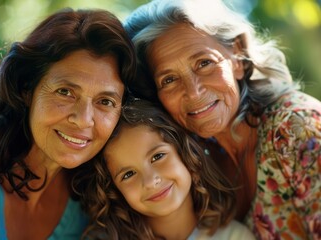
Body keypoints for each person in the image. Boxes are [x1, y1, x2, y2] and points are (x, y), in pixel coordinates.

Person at [123, 0, 321, 239]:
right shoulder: (192, 158)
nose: (193, 91)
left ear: (237, 56)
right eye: (168, 80)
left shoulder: (300, 128)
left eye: (204, 63)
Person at [0, 8, 136, 240]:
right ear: (26, 88)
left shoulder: (94, 202)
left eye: (105, 101)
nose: (83, 119)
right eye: (65, 92)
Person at [74, 97, 255, 239]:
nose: (151, 181)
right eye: (128, 174)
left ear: (186, 154)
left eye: (158, 156)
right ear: (114, 190)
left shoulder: (235, 236)